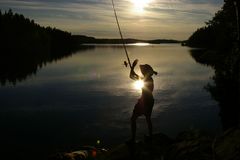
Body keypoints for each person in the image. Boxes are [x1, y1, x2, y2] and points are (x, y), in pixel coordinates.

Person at [129, 59, 157, 143]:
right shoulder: (148, 78)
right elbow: (131, 76)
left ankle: (133, 139)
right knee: (147, 119)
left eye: (144, 70)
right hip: (149, 101)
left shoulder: (146, 79)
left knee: (133, 119)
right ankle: (150, 136)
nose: (142, 71)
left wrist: (133, 67)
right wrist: (132, 68)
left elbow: (131, 76)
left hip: (144, 102)